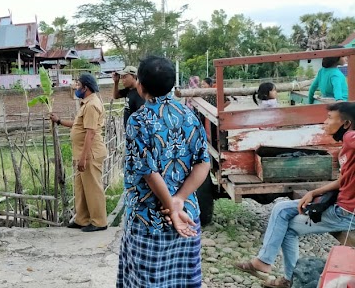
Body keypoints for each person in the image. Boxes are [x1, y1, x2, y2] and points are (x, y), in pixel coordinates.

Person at [235, 102, 355, 288]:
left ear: (346, 124)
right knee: (281, 208)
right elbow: (343, 181)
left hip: (346, 214)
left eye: (330, 118)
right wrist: (314, 192)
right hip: (339, 205)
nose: (325, 122)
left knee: (287, 227)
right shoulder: (346, 147)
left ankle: (279, 272)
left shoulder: (349, 138)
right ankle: (267, 263)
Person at [116, 56, 211, 288]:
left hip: (150, 219)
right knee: (183, 281)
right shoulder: (189, 115)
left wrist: (170, 205)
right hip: (186, 216)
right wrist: (178, 201)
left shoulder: (139, 121)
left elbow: (149, 172)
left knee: (146, 282)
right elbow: (203, 163)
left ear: (140, 85)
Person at [50, 73, 108, 232]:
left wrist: (83, 158)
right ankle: (82, 219)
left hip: (90, 154)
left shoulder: (92, 105)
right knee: (81, 188)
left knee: (93, 188)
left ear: (86, 88)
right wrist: (59, 121)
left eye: (78, 85)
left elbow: (90, 133)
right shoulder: (86, 103)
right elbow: (78, 126)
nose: (75, 87)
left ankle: (99, 222)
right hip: (82, 153)